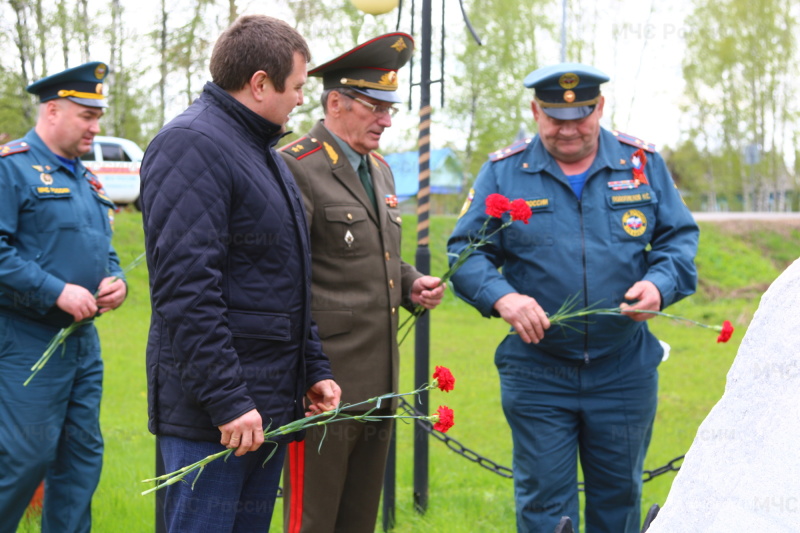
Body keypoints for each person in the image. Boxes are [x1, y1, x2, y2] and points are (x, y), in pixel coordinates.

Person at [447, 62, 699, 533]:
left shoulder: (642, 164)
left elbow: (679, 242)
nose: (567, 130)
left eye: (580, 118)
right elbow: (467, 252)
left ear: (600, 108)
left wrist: (659, 286)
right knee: (545, 506)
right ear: (535, 111)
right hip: (540, 371)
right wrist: (504, 299)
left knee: (620, 499)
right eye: (554, 119)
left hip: (623, 368)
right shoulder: (504, 172)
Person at [139, 15, 341, 532]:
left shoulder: (259, 149)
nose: (301, 99)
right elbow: (186, 290)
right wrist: (229, 401)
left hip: (263, 407)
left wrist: (313, 367)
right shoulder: (192, 144)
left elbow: (285, 279)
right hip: (217, 418)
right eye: (296, 87)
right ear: (259, 83)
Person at [279, 33, 446, 533]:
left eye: (389, 108)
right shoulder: (295, 164)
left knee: (358, 520)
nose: (387, 120)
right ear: (335, 102)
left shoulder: (379, 169)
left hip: (379, 381)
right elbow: (287, 280)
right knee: (312, 520)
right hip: (324, 384)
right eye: (375, 106)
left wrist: (411, 282)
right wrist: (306, 373)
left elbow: (375, 259)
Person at [0, 61, 128, 532]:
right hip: (26, 341)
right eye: (86, 116)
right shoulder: (11, 169)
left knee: (80, 461)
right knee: (23, 459)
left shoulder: (85, 178)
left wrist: (117, 282)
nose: (96, 127)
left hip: (81, 344)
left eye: (98, 117)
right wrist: (55, 290)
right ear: (52, 111)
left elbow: (105, 250)